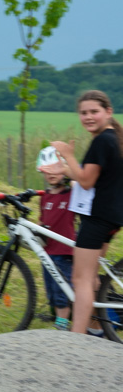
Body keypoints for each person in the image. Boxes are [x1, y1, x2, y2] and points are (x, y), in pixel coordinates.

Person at [40, 90, 123, 335]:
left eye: (94, 112)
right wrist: (67, 169)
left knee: (81, 279)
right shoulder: (115, 138)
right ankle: (97, 328)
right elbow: (94, 177)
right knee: (92, 276)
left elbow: (86, 182)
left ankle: (76, 341)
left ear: (108, 112)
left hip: (97, 218)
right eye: (83, 113)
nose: (88, 117)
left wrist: (67, 155)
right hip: (113, 216)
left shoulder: (102, 141)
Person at [35, 146, 74, 331]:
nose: (51, 175)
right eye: (47, 171)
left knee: (62, 292)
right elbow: (44, 221)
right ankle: (60, 321)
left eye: (55, 170)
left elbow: (80, 181)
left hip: (64, 251)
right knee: (51, 291)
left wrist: (67, 166)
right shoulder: (44, 198)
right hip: (48, 251)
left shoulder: (71, 194)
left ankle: (62, 325)